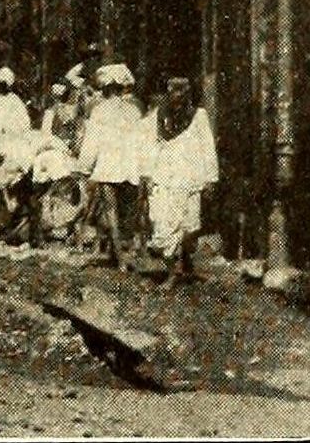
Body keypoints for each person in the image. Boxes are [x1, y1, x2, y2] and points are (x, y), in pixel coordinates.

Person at [139, 77, 219, 286]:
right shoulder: (159, 116)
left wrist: (210, 178)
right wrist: (147, 174)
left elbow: (208, 148)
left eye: (181, 91)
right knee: (163, 224)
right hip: (164, 177)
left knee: (188, 227)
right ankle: (172, 272)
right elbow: (150, 146)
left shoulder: (198, 116)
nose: (176, 96)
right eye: (172, 91)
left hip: (189, 177)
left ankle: (185, 264)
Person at [77, 63, 144, 269]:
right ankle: (123, 254)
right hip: (129, 165)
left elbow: (91, 143)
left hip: (108, 166)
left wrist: (84, 168)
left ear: (106, 88)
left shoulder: (99, 111)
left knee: (111, 211)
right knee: (126, 211)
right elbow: (141, 140)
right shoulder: (134, 110)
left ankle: (120, 258)